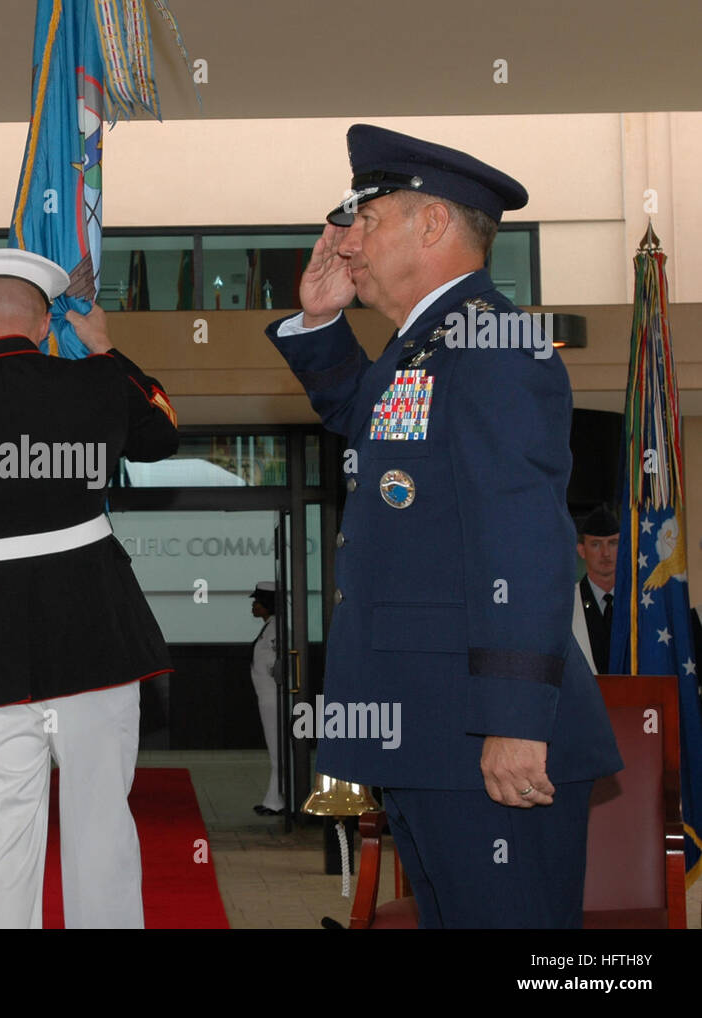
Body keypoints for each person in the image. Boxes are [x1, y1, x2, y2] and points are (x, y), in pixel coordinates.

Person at [267, 124, 621, 928]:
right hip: (432, 731)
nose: (346, 240)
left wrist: (514, 720)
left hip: (484, 735)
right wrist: (321, 324)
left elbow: (526, 542)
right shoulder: (424, 346)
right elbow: (369, 427)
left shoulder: (492, 345)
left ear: (432, 225)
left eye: (368, 217)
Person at [0, 249, 178, 928]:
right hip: (96, 641)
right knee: (100, 825)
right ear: (43, 321)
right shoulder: (93, 386)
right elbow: (162, 437)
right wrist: (106, 349)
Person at [248, 581, 286, 817]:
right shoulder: (270, 627)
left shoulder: (277, 629)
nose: (253, 606)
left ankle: (278, 800)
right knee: (276, 749)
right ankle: (275, 798)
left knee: (278, 749)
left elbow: (280, 662)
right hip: (268, 697)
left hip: (275, 697)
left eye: (257, 601)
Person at [573, 506, 618, 673]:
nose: (606, 553)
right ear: (582, 550)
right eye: (596, 544)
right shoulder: (569, 603)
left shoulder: (638, 603)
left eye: (613, 543)